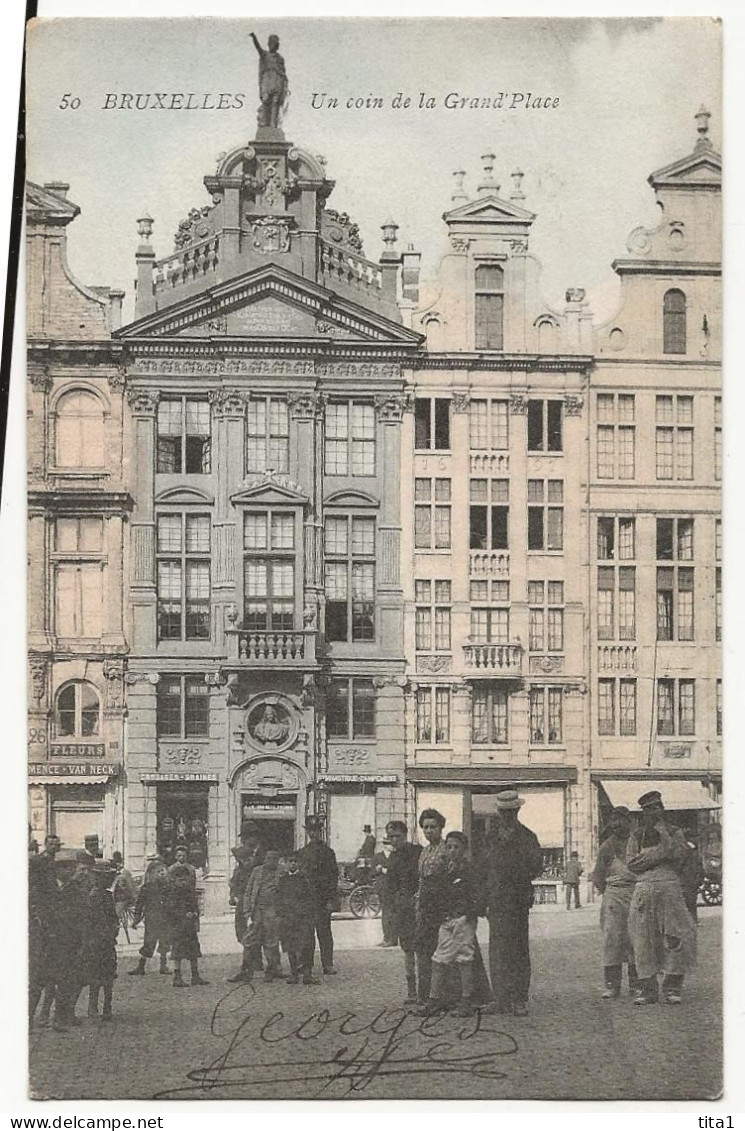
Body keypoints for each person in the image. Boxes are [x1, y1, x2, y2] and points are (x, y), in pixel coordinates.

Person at [626, 790, 697, 1006]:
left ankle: (673, 987)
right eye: (649, 809)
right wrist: (661, 853)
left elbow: (679, 856)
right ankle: (648, 990)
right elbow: (632, 863)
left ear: (662, 809)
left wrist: (662, 844)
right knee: (643, 939)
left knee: (676, 936)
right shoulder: (637, 836)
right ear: (643, 812)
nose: (654, 812)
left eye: (657, 807)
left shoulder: (674, 832)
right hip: (645, 889)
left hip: (670, 888)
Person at [483, 790, 543, 1016]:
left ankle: (518, 999)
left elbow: (536, 866)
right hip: (497, 899)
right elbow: (483, 867)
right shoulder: (490, 837)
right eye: (503, 812)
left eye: (510, 812)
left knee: (518, 949)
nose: (506, 816)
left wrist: (514, 870)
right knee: (498, 950)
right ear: (499, 812)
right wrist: (484, 898)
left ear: (517, 811)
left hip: (517, 899)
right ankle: (500, 998)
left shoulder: (528, 837)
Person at [415, 831, 484, 1017]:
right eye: (449, 846)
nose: (452, 850)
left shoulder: (469, 870)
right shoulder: (445, 869)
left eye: (457, 847)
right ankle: (434, 999)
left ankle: (467, 1001)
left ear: (464, 849)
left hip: (462, 920)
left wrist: (467, 914)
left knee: (464, 959)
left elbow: (476, 895)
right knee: (439, 959)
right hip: (446, 919)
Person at [591, 807, 638, 998]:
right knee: (613, 939)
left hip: (635, 892)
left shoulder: (637, 843)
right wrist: (609, 893)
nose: (617, 826)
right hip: (614, 894)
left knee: (637, 939)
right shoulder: (607, 846)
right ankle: (612, 985)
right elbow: (598, 876)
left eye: (621, 822)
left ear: (629, 822)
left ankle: (637, 984)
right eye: (614, 822)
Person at [414, 808, 450, 1005]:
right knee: (423, 951)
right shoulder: (424, 851)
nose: (429, 831)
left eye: (433, 827)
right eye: (425, 827)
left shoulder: (446, 850)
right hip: (424, 907)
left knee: (441, 954)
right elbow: (420, 880)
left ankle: (441, 997)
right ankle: (423, 995)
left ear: (441, 828)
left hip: (440, 907)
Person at [384, 820, 422, 1003]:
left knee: (423, 950)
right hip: (402, 910)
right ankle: (411, 991)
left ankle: (426, 990)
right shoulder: (392, 859)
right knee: (407, 950)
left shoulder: (418, 852)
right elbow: (390, 887)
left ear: (405, 835)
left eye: (397, 836)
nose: (394, 840)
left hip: (420, 907)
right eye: (390, 837)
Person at [297, 816, 339, 975]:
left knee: (325, 933)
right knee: (307, 933)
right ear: (307, 831)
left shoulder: (328, 853)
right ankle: (306, 963)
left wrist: (330, 899)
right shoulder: (302, 853)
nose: (313, 833)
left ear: (320, 831)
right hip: (307, 899)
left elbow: (333, 877)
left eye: (316, 830)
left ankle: (327, 964)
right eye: (310, 830)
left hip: (322, 899)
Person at [238, 850, 283, 983]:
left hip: (272, 910)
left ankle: (272, 970)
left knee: (271, 941)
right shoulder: (257, 871)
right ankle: (246, 970)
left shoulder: (281, 872)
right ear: (265, 859)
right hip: (257, 910)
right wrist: (247, 912)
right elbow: (248, 891)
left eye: (274, 858)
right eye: (268, 858)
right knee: (249, 939)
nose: (271, 861)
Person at [227, 826, 265, 982]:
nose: (245, 840)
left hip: (255, 900)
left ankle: (247, 968)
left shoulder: (260, 855)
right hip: (243, 898)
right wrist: (233, 893)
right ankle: (256, 963)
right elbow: (237, 877)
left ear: (254, 837)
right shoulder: (245, 855)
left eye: (248, 836)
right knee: (243, 931)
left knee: (250, 932)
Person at [83, 861, 119, 1021]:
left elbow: (113, 917)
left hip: (107, 940)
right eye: (106, 877)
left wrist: (114, 930)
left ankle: (106, 1006)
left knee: (108, 975)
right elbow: (90, 920)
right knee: (96, 975)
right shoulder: (93, 895)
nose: (109, 879)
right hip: (96, 941)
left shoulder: (107, 895)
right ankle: (94, 1006)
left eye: (110, 876)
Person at [276, 852, 319, 985]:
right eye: (290, 861)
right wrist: (281, 914)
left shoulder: (305, 878)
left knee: (307, 945)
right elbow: (278, 899)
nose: (293, 863)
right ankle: (293, 973)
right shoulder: (283, 880)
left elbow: (312, 897)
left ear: (299, 863)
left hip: (304, 918)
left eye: (295, 861)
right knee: (291, 945)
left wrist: (309, 914)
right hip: (289, 918)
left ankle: (307, 974)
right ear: (286, 864)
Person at [165, 863, 209, 988]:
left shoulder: (190, 890)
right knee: (177, 951)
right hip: (178, 925)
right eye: (181, 879)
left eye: (185, 879)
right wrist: (184, 914)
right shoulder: (173, 891)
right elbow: (170, 909)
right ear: (175, 879)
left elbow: (195, 905)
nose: (183, 881)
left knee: (193, 950)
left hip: (189, 926)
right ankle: (177, 977)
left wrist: (195, 913)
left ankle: (195, 975)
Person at [130, 859, 171, 975]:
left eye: (164, 871)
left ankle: (163, 966)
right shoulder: (147, 887)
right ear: (152, 874)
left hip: (166, 919)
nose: (162, 873)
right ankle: (141, 966)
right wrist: (136, 919)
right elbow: (139, 905)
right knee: (149, 942)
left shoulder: (169, 887)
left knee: (165, 942)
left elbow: (174, 903)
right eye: (159, 871)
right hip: (152, 919)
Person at [249, 32, 288, 130]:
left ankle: (273, 125)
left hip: (277, 81)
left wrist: (284, 86)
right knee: (266, 101)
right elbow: (258, 48)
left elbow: (283, 72)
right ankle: (265, 124)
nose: (273, 45)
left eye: (275, 43)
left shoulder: (280, 58)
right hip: (267, 80)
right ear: (268, 44)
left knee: (275, 103)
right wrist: (254, 37)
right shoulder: (265, 55)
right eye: (271, 42)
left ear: (277, 45)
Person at [373, 838, 398, 947]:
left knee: (393, 914)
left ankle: (393, 938)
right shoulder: (378, 856)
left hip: (394, 888)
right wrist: (377, 870)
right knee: (385, 914)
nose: (391, 846)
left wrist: (384, 870)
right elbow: (371, 873)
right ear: (384, 845)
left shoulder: (397, 856)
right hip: (383, 889)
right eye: (388, 844)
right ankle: (386, 938)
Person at [111, 851, 137, 922]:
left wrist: (134, 897)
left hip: (123, 899)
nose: (118, 864)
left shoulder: (125, 873)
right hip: (114, 899)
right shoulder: (113, 873)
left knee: (115, 917)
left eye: (119, 862)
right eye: (116, 863)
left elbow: (131, 886)